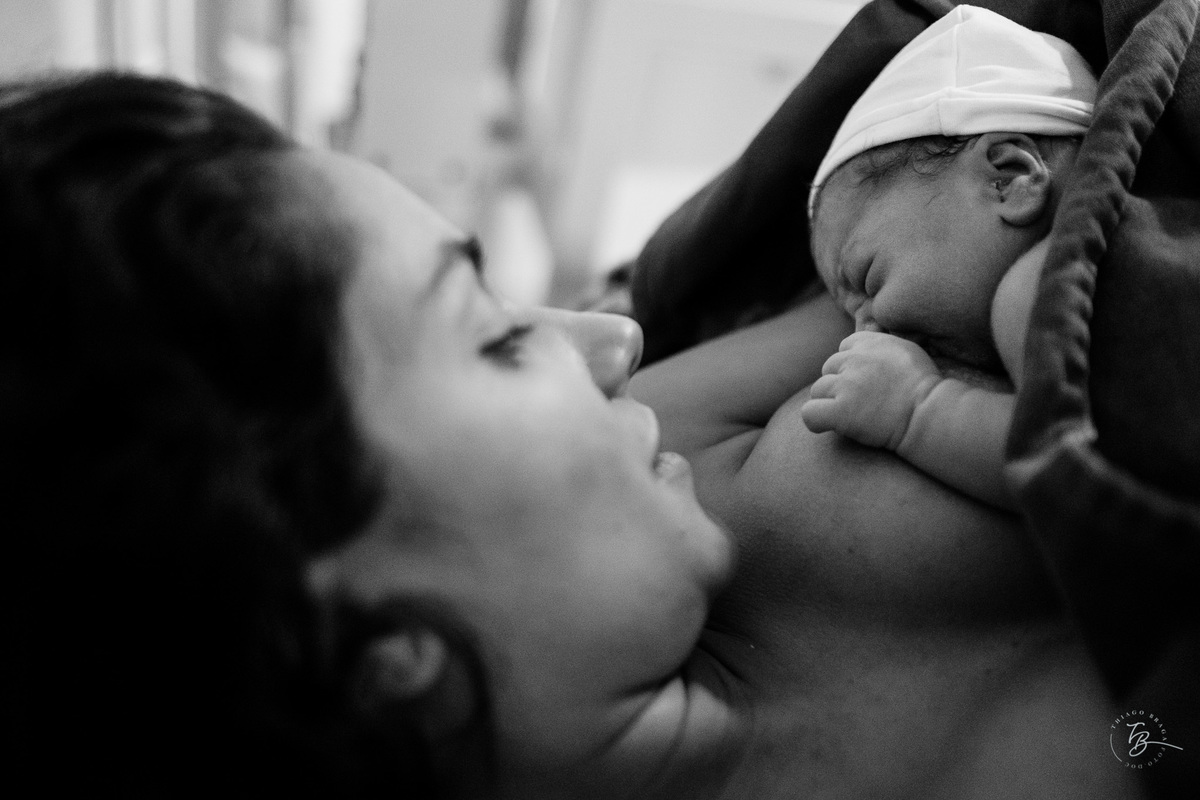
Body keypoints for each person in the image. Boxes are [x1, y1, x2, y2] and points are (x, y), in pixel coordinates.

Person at [4, 72, 1139, 799]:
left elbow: (983, 205)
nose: (614, 340)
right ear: (372, 650)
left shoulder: (696, 442)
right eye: (496, 338)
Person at [796, 5, 1098, 508]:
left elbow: (1077, 477)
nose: (865, 332)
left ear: (1008, 179)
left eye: (867, 279)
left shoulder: (1033, 288)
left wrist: (918, 408)